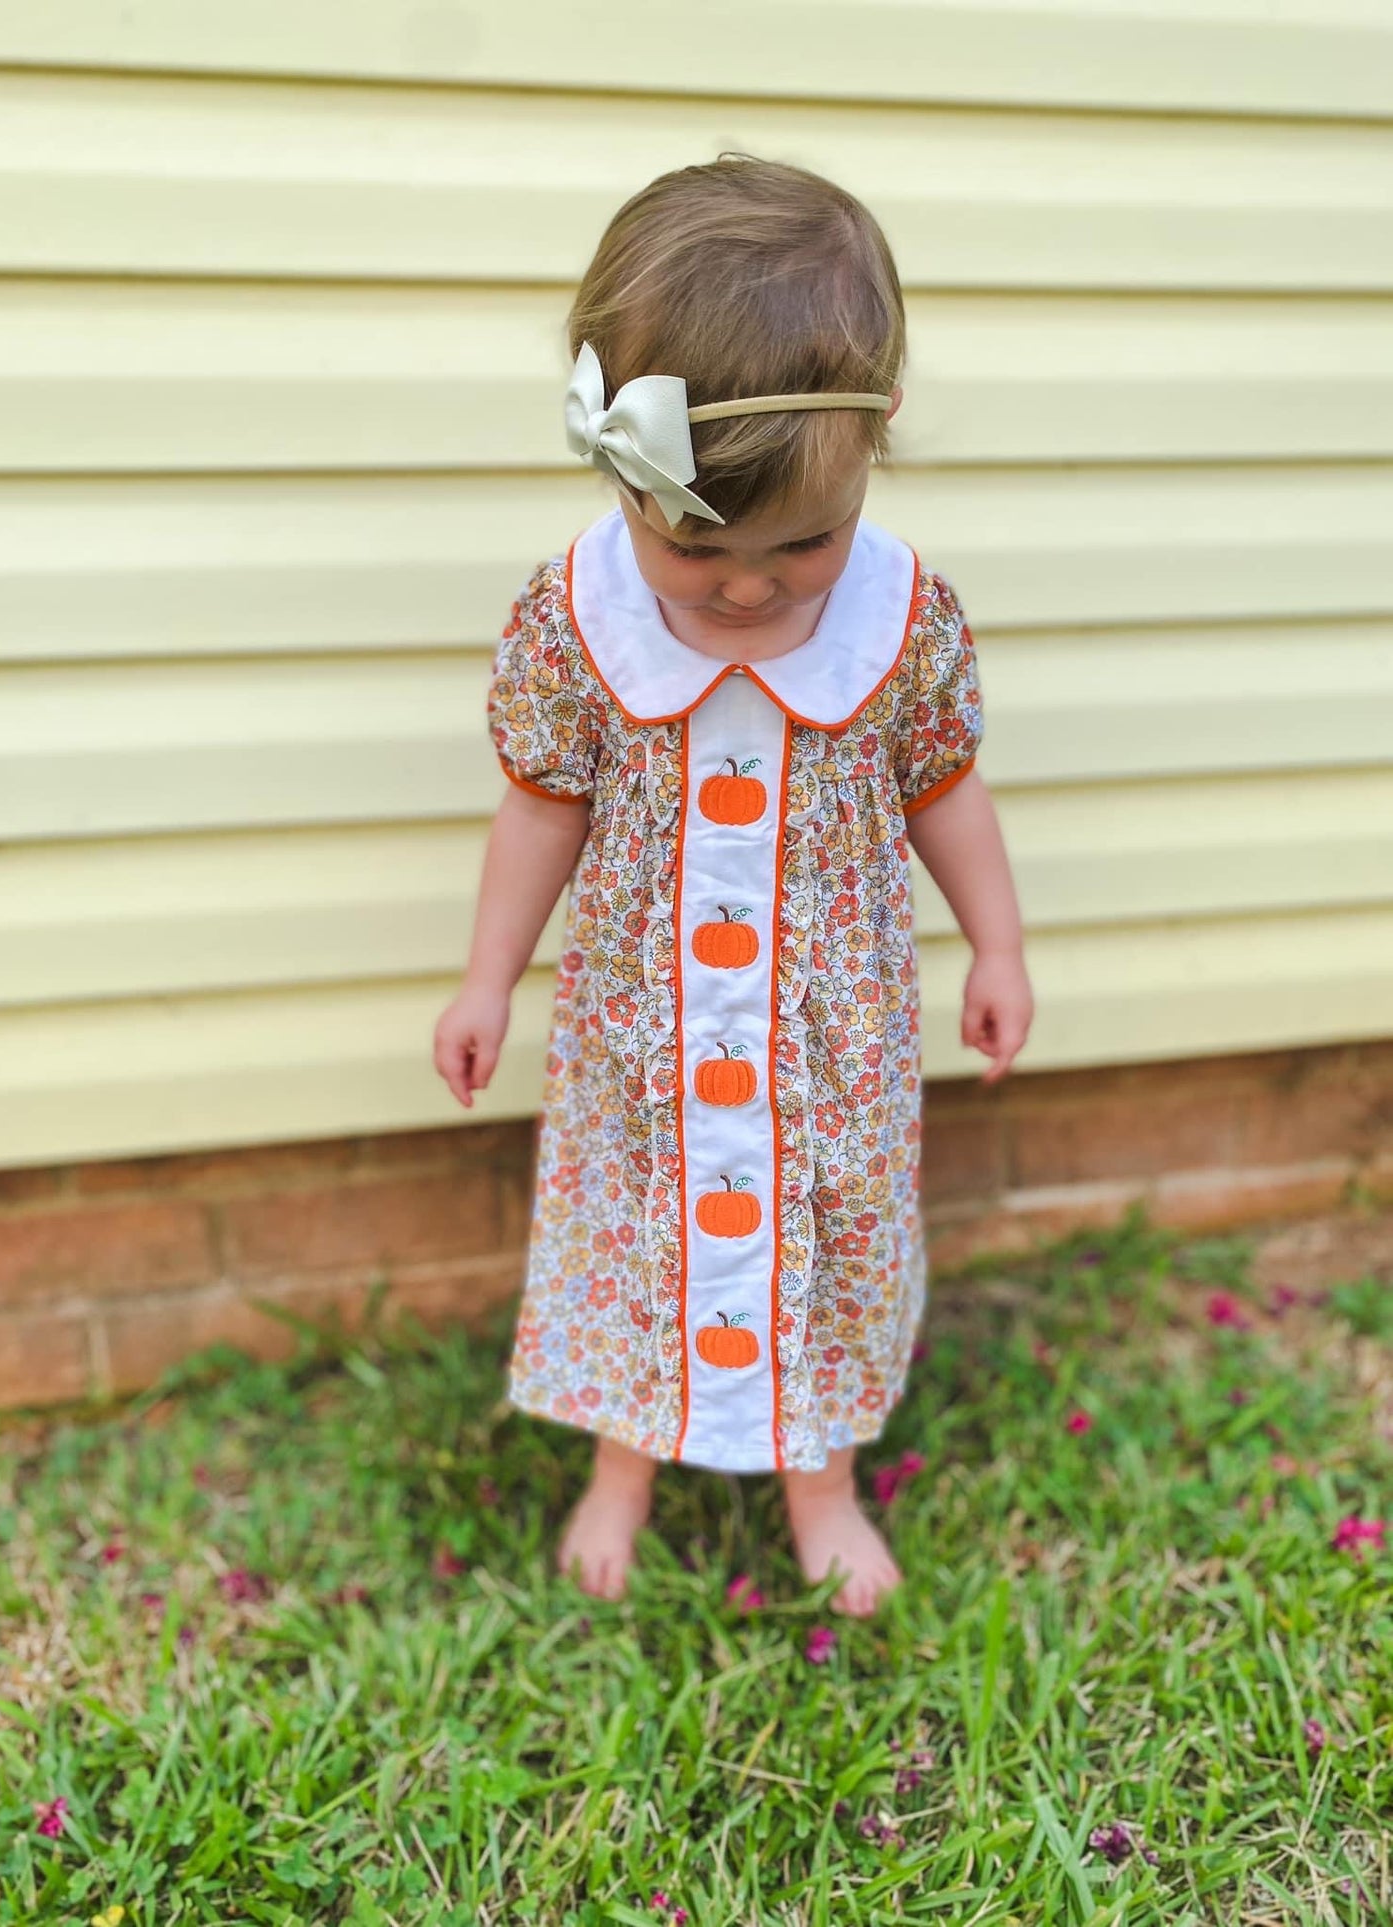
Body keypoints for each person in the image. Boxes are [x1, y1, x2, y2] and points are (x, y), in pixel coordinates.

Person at [434, 153, 1034, 1617]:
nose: (753, 593)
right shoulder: (574, 620)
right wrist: (487, 975)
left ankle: (816, 1481)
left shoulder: (900, 623)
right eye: (696, 550)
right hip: (642, 1040)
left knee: (818, 1230)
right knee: (645, 1225)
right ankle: (622, 1464)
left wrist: (998, 948)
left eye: (801, 548)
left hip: (831, 1043)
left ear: (874, 446)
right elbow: (538, 807)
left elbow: (944, 786)